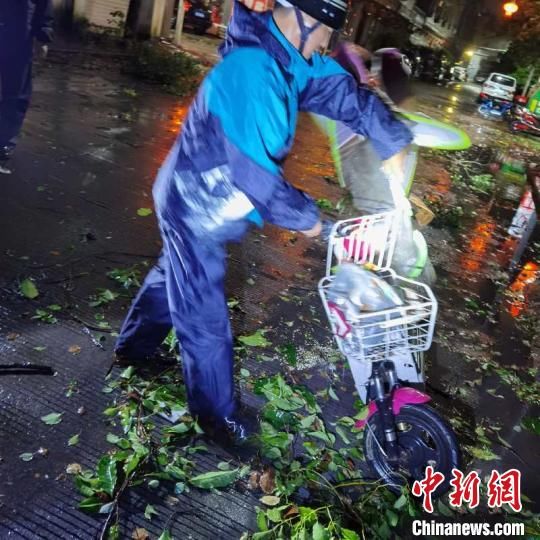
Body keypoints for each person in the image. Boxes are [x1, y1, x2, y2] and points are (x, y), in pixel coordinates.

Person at [114, 0, 413, 443]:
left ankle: (133, 349)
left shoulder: (293, 61)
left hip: (212, 203)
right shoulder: (252, 71)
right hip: (194, 202)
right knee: (203, 314)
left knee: (171, 276)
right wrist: (314, 223)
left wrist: (392, 142)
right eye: (323, 39)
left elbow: (346, 95)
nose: (323, 51)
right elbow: (256, 177)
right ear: (303, 20)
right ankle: (217, 418)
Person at [0, 0, 54, 174]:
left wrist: (44, 34)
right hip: (18, 31)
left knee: (15, 94)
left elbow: (43, 5)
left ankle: (4, 144)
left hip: (18, 36)